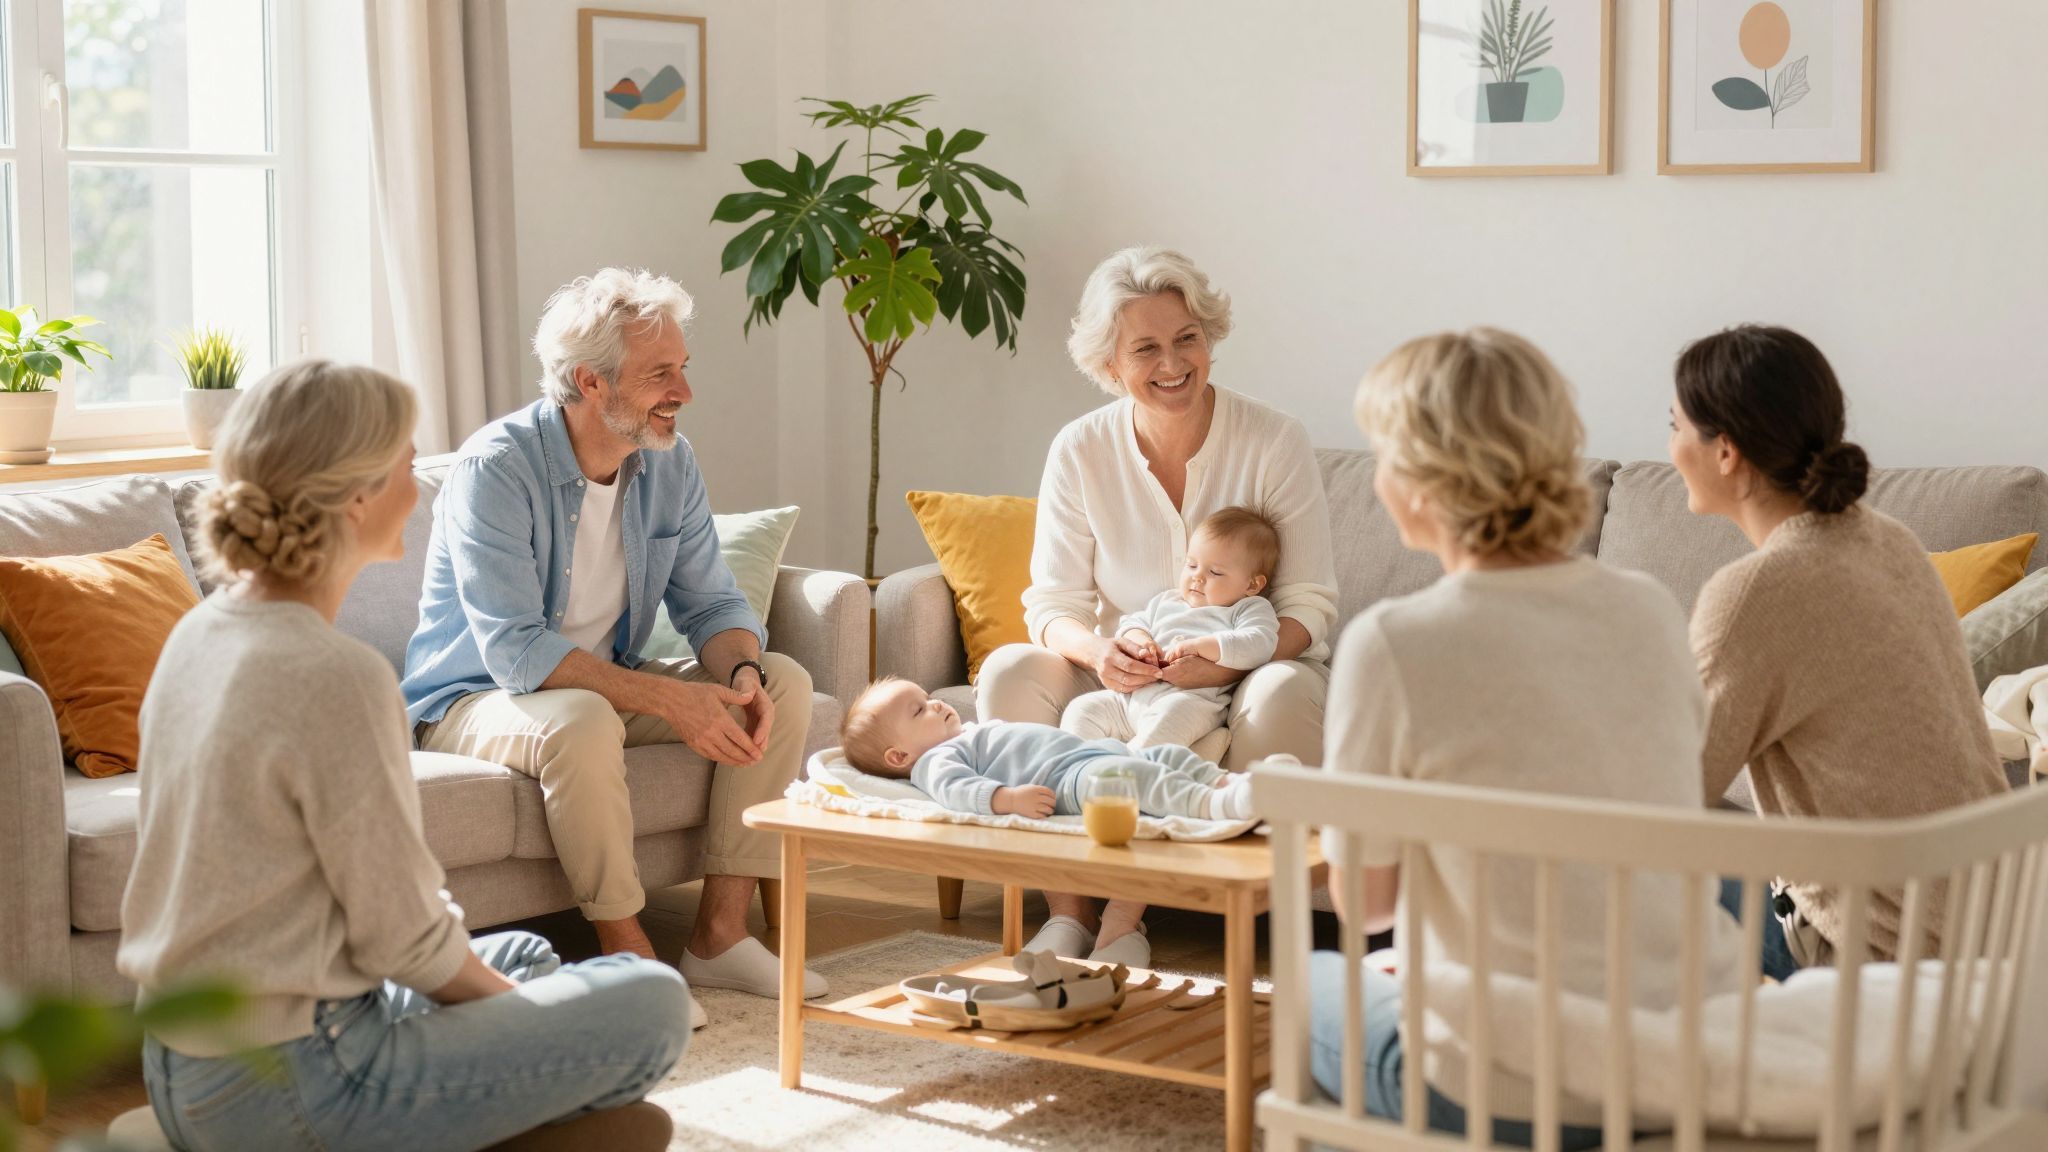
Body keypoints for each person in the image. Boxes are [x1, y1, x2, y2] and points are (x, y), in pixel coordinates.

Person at [119, 361, 688, 1152]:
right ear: (355, 496)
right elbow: (404, 941)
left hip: (181, 1063)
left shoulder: (199, 634)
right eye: (402, 464)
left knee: (525, 952)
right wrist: (527, 1026)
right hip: (298, 1080)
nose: (418, 489)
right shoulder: (337, 675)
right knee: (650, 1001)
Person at [1313, 329, 1741, 1148]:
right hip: (1685, 1050)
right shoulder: (1651, 608)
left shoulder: (1393, 642)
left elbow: (1366, 906)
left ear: (1422, 477)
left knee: (1313, 988)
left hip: (1510, 1079)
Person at [402, 267, 825, 1023]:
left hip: (598, 681)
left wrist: (742, 672)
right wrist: (671, 698)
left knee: (786, 681)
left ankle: (720, 936)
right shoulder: (494, 469)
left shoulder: (670, 461)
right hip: (472, 698)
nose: (683, 392)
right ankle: (627, 956)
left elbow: (712, 600)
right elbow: (517, 651)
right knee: (584, 718)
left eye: (683, 369)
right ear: (589, 383)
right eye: (661, 374)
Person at [979, 246, 1338, 967]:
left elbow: (1310, 606)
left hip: (1244, 668)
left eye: (1187, 339)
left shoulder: (1273, 439)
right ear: (1110, 366)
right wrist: (1099, 654)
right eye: (1146, 348)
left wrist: (1224, 663)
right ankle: (1069, 914)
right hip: (1126, 671)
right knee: (1009, 671)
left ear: (1209, 338)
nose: (1173, 363)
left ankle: (1144, 909)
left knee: (1284, 691)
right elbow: (1052, 602)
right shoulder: (1079, 449)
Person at [1670, 324, 2009, 979]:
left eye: (1676, 425)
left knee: (1585, 868)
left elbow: (1669, 792)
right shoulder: (1889, 540)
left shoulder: (1754, 593)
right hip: (1991, 935)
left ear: (1725, 452)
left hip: (1874, 955)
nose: (1669, 446)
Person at [842, 677, 1256, 821]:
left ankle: (1225, 782)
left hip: (1096, 755)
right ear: (899, 756)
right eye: (919, 710)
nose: (935, 703)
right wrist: (1005, 798)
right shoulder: (934, 762)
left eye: (927, 696)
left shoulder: (965, 735)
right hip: (1068, 782)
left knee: (1167, 756)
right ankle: (1212, 805)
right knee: (1136, 781)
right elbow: (956, 790)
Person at [1060, 505, 1281, 749]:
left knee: (1166, 724)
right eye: (1192, 565)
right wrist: (1140, 640)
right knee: (1082, 710)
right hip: (1130, 698)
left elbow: (1261, 643)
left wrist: (1202, 647)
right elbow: (1133, 622)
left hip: (1190, 701)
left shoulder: (1247, 609)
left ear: (1252, 585)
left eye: (1215, 572)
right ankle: (1079, 767)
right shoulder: (1168, 600)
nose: (1198, 577)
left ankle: (1128, 771)